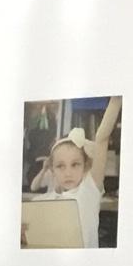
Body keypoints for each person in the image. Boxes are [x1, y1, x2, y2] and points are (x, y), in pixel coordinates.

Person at [29, 96, 121, 249]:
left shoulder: (89, 190)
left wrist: (116, 100)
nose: (68, 173)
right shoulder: (44, 201)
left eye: (75, 164)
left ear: (85, 166)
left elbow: (102, 138)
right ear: (52, 170)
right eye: (60, 166)